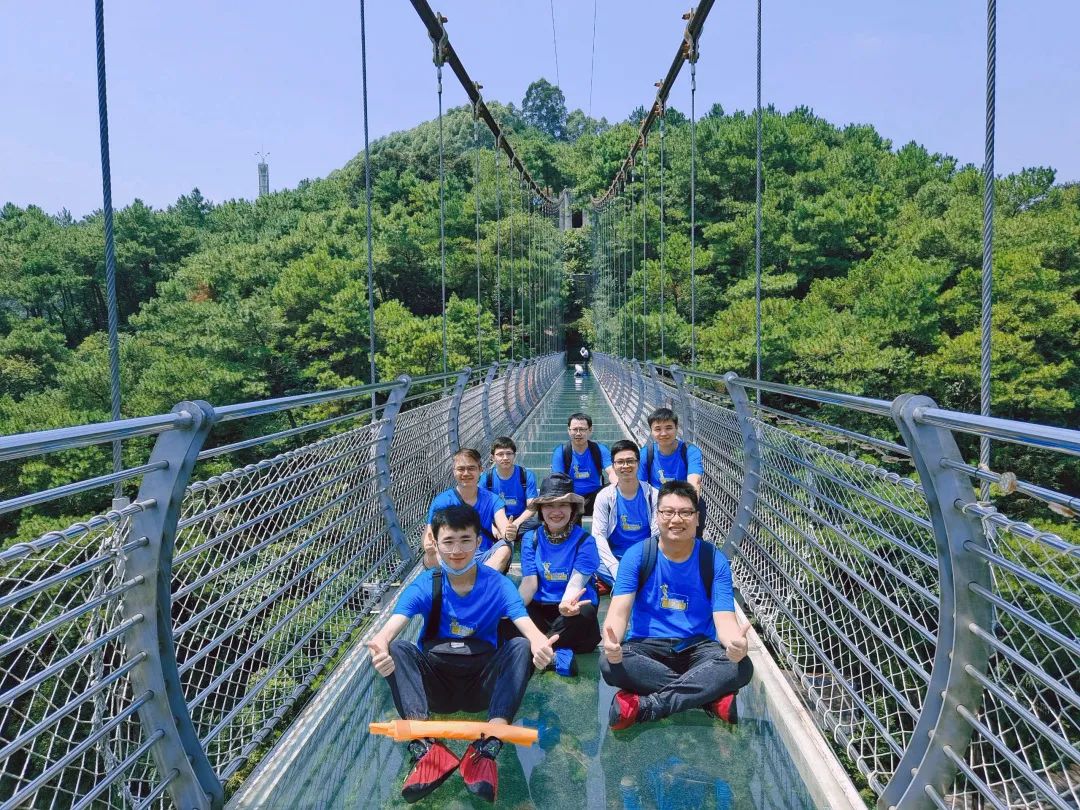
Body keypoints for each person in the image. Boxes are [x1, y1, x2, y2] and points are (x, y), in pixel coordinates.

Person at [367, 505, 558, 804]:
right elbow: (387, 632)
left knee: (520, 646)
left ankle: (487, 748)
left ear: (478, 541)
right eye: (449, 541)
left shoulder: (498, 585)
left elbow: (528, 629)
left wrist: (540, 646)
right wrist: (380, 649)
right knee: (398, 648)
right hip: (437, 688)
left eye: (465, 540)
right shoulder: (426, 584)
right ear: (435, 543)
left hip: (482, 687)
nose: (457, 551)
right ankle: (426, 747)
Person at [600, 480, 754, 730]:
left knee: (740, 666)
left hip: (698, 648)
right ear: (657, 516)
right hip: (647, 647)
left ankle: (649, 706)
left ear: (697, 518)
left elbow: (725, 619)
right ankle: (707, 697)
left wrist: (735, 645)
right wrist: (612, 643)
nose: (676, 519)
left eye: (685, 512)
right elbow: (619, 612)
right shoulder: (637, 555)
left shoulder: (713, 560)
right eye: (668, 512)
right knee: (609, 663)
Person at [505, 474, 602, 677]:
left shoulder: (585, 541)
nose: (556, 512)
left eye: (563, 505)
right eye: (549, 505)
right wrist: (512, 609)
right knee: (507, 619)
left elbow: (575, 584)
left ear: (572, 509)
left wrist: (566, 605)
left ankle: (538, 649)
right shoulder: (531, 539)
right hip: (541, 609)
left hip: (571, 611)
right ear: (541, 509)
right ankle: (556, 655)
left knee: (585, 614)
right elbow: (529, 584)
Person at [423, 448, 512, 572]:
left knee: (505, 548)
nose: (466, 473)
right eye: (461, 469)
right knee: (430, 557)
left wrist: (508, 531)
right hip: (451, 554)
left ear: (480, 470)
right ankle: (471, 578)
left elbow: (503, 523)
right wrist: (429, 546)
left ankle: (477, 580)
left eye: (471, 468)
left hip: (481, 555)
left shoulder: (492, 499)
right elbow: (429, 533)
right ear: (454, 471)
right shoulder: (442, 501)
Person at [592, 440, 659, 586]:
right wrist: (615, 568)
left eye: (630, 461)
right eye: (620, 462)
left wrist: (647, 563)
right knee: (591, 558)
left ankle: (622, 586)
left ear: (638, 463)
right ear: (613, 466)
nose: (625, 466)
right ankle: (632, 585)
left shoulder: (653, 495)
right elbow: (599, 536)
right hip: (615, 558)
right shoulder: (605, 496)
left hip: (645, 558)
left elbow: (657, 535)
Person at [550, 412, 614, 518]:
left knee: (618, 484)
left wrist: (619, 486)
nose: (578, 433)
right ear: (569, 430)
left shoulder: (599, 449)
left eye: (582, 429)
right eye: (575, 429)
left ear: (590, 430)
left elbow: (612, 471)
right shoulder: (561, 451)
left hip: (595, 497)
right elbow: (557, 480)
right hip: (570, 498)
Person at [480, 436, 538, 536]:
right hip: (495, 520)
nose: (505, 458)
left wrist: (515, 524)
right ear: (492, 458)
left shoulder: (526, 475)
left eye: (509, 453)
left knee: (538, 523)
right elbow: (481, 508)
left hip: (520, 519)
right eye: (500, 454)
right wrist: (493, 528)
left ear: (514, 455)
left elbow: (532, 507)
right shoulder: (486, 478)